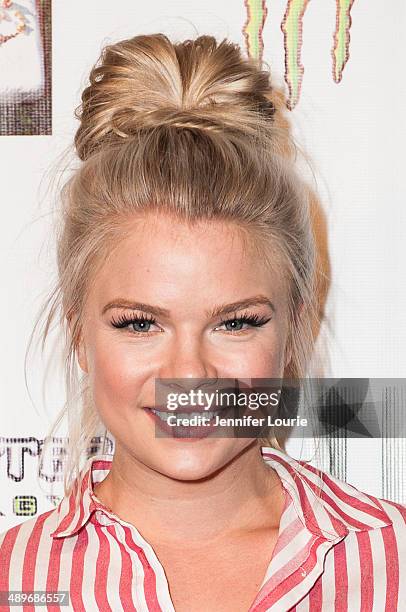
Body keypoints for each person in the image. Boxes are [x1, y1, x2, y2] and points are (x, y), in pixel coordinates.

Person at [0, 33, 405, 612]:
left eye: (235, 323)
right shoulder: (14, 581)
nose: (188, 373)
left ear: (292, 332)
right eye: (140, 324)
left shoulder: (392, 559)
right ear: (78, 336)